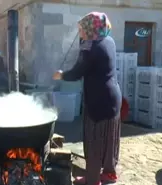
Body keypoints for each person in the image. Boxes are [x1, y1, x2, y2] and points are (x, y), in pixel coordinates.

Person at [53, 12, 121, 185]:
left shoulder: (91, 48)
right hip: (113, 97)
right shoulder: (108, 41)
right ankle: (109, 173)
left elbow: (77, 72)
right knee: (110, 138)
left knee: (94, 140)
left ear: (92, 29)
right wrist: (84, 40)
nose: (80, 32)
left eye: (82, 29)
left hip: (98, 100)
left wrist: (61, 75)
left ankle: (92, 180)